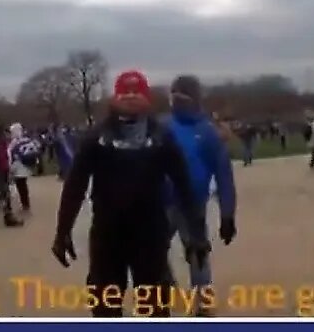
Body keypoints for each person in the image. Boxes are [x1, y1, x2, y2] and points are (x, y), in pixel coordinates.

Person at [52, 70, 207, 318]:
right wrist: (62, 232)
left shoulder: (161, 137)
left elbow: (184, 186)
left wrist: (197, 235)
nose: (131, 97)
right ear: (115, 97)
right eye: (125, 92)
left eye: (137, 92)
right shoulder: (96, 138)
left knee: (155, 306)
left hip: (150, 233)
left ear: (147, 99)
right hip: (107, 233)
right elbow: (75, 186)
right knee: (105, 305)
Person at [163, 75, 238, 314]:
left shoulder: (207, 132)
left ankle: (203, 302)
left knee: (197, 252)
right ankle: (167, 286)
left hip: (192, 203)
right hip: (161, 202)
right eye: (174, 95)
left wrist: (228, 214)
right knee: (153, 249)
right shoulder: (162, 128)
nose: (176, 100)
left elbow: (224, 174)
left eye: (182, 96)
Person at [7, 122, 38, 215]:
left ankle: (24, 204)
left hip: (18, 166)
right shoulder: (27, 140)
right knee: (23, 186)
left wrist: (9, 166)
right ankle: (25, 203)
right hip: (26, 166)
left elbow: (10, 154)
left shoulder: (14, 142)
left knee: (20, 186)